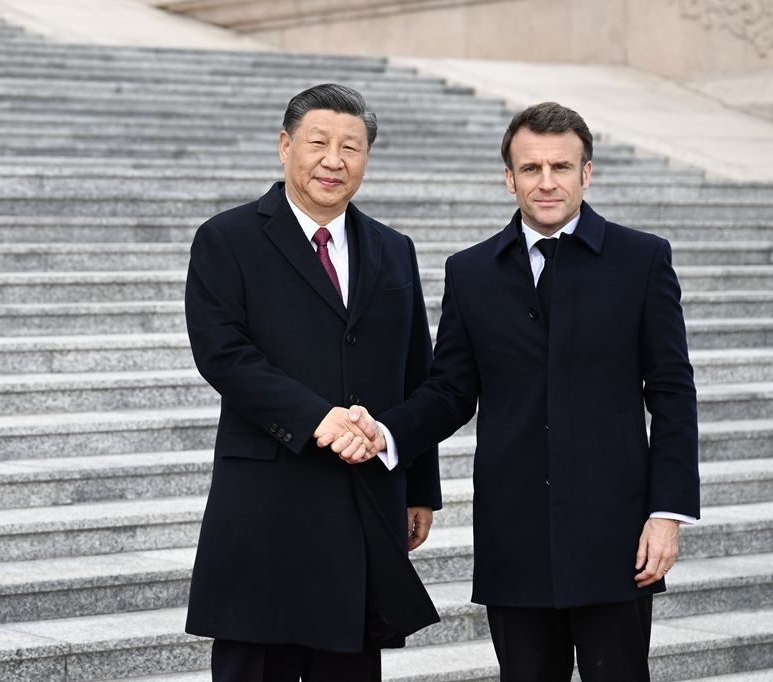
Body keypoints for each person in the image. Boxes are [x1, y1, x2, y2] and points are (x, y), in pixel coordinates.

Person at [323, 102, 700, 681]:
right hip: (514, 536)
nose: (546, 182)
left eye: (561, 167)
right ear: (509, 177)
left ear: (586, 173)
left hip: (615, 533)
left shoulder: (642, 259)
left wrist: (666, 513)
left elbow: (672, 393)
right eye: (530, 168)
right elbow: (450, 391)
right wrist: (387, 433)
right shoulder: (470, 271)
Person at [183, 83, 441, 682]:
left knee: (348, 661)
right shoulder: (227, 239)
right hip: (267, 502)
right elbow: (224, 354)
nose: (334, 161)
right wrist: (317, 417)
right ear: (285, 146)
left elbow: (416, 372)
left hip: (363, 500)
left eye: (351, 147)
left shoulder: (394, 249)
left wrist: (419, 488)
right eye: (318, 143)